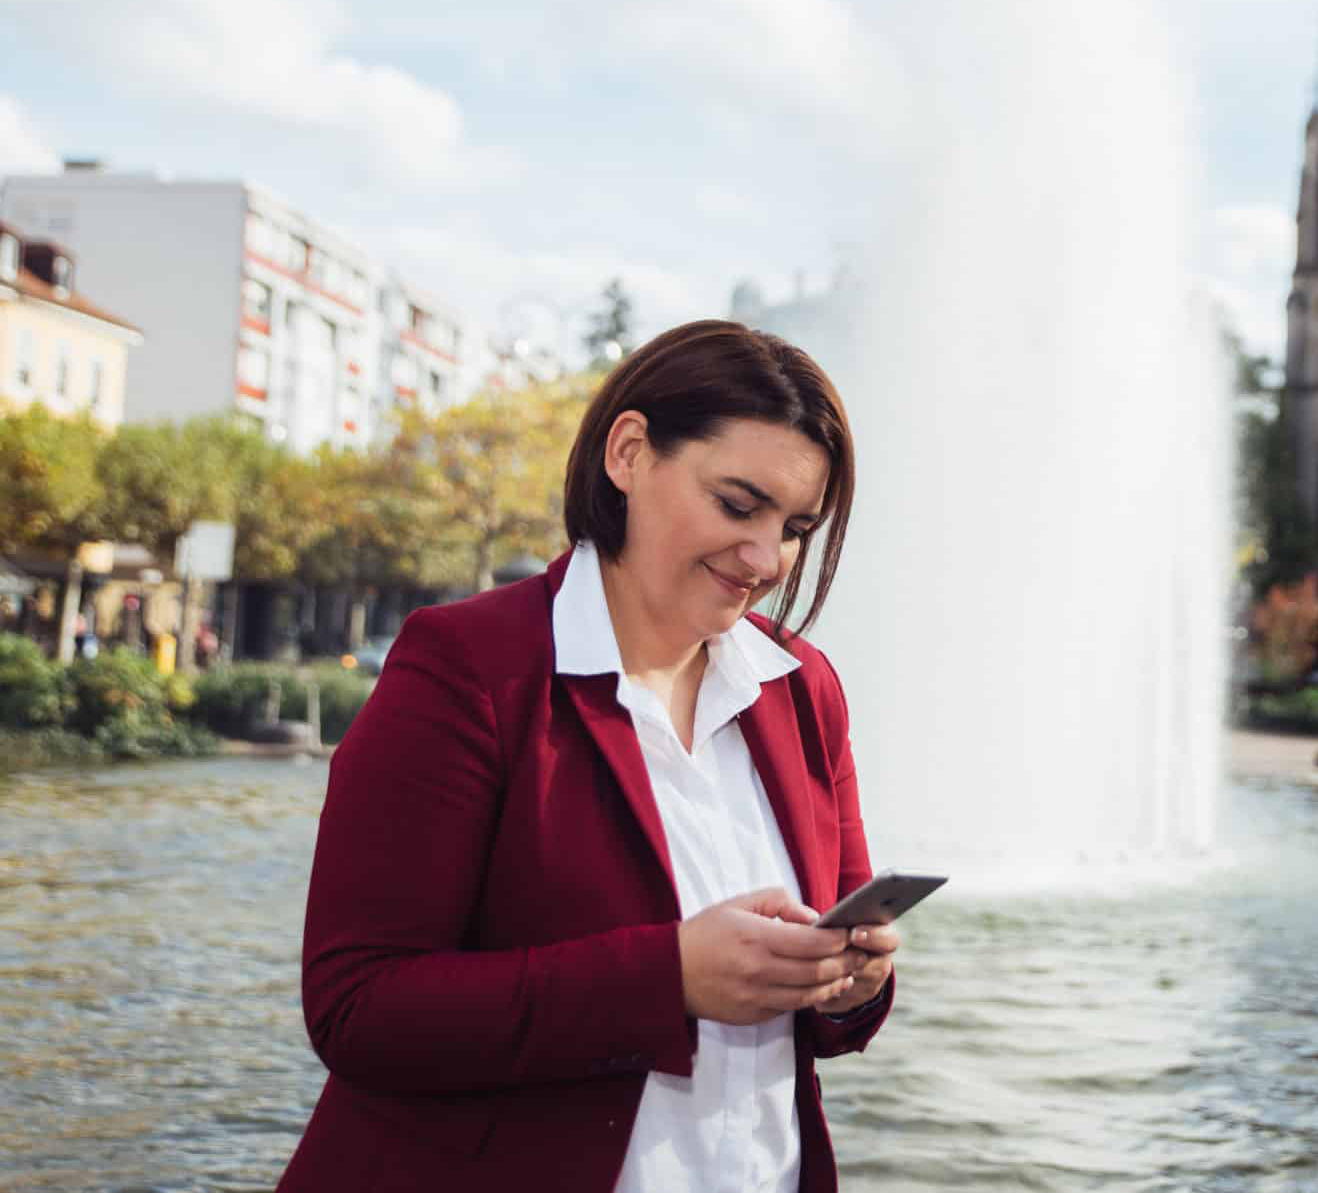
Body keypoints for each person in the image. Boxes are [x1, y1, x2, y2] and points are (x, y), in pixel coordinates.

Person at [277, 321, 897, 1193]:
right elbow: (358, 1008)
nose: (766, 558)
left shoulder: (804, 689)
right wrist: (669, 974)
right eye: (736, 504)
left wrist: (852, 980)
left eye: (795, 525)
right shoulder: (465, 667)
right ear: (630, 452)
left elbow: (836, 1004)